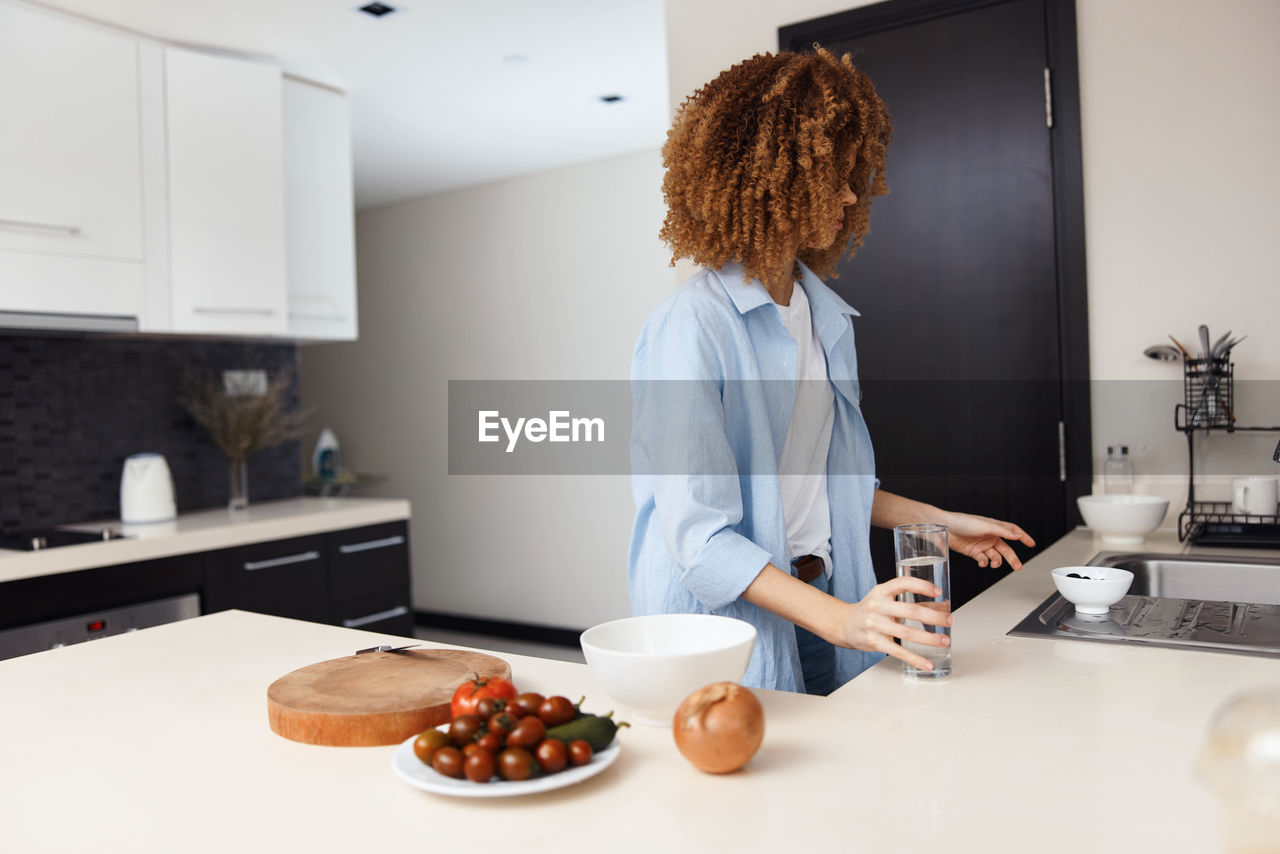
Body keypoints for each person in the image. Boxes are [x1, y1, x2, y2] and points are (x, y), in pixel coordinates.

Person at [628, 48, 1035, 695]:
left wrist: (940, 520)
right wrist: (845, 622)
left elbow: (819, 485)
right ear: (775, 178)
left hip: (825, 606)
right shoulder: (691, 328)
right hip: (725, 634)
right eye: (834, 176)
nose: (853, 192)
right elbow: (699, 538)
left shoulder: (822, 317)